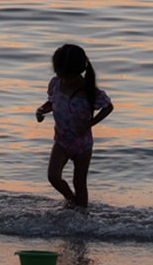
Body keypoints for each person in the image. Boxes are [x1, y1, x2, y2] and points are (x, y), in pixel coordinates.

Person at [35, 43, 113, 208]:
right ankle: (70, 198)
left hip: (82, 145)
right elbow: (51, 102)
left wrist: (91, 123)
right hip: (61, 141)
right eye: (60, 74)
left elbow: (108, 107)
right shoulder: (56, 84)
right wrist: (41, 110)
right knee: (53, 176)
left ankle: (82, 215)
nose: (64, 79)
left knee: (79, 182)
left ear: (79, 71)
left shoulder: (89, 91)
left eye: (67, 75)